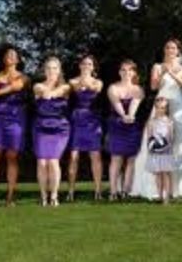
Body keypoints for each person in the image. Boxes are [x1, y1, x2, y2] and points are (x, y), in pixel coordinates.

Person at [132, 39, 182, 198]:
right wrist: (161, 73)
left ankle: (181, 186)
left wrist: (170, 72)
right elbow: (153, 87)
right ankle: (154, 187)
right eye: (168, 47)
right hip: (161, 104)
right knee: (157, 139)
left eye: (173, 48)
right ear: (164, 50)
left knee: (180, 139)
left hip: (178, 104)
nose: (170, 50)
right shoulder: (157, 66)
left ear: (178, 51)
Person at [0, 44, 28, 208]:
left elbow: (17, 86)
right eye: (8, 54)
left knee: (12, 157)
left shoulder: (23, 77)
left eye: (14, 54)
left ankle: (10, 197)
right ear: (3, 59)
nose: (11, 56)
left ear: (18, 59)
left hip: (15, 119)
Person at [33, 56, 71, 207]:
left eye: (55, 68)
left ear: (59, 70)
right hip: (41, 126)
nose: (51, 71)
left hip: (60, 127)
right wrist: (47, 91)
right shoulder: (37, 86)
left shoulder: (66, 87)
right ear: (44, 70)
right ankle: (43, 196)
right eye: (48, 68)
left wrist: (51, 93)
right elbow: (41, 91)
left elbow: (57, 92)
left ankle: (54, 196)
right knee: (42, 162)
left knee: (53, 161)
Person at [67, 54, 103, 201]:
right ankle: (70, 191)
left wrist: (85, 84)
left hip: (92, 120)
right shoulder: (71, 81)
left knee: (95, 156)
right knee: (73, 157)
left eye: (89, 64)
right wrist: (83, 84)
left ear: (93, 67)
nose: (86, 66)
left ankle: (98, 190)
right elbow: (74, 88)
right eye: (84, 64)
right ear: (79, 65)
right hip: (77, 119)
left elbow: (96, 89)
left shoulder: (98, 82)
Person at [107, 59, 145, 201]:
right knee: (116, 159)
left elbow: (134, 104)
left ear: (134, 72)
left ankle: (125, 191)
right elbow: (117, 104)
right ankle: (113, 192)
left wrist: (130, 116)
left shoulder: (138, 89)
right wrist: (124, 116)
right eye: (123, 70)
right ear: (119, 72)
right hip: (117, 125)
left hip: (133, 126)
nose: (126, 73)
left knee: (131, 159)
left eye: (130, 70)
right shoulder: (112, 88)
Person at [145, 97, 174, 204]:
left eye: (163, 108)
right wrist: (152, 147)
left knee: (165, 173)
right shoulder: (151, 122)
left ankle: (166, 195)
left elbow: (171, 138)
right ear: (155, 108)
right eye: (158, 108)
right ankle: (160, 194)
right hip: (155, 152)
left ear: (166, 109)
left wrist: (165, 146)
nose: (160, 110)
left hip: (166, 152)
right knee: (158, 174)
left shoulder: (169, 122)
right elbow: (149, 137)